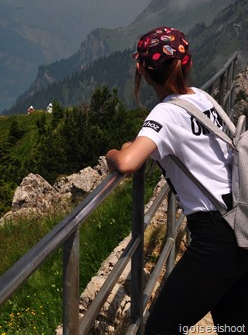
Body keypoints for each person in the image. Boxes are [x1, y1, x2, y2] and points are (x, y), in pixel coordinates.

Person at [105, 26, 248, 334]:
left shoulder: (165, 114)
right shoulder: (203, 97)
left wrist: (112, 153)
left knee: (161, 328)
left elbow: (128, 163)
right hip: (241, 224)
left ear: (142, 70)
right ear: (188, 63)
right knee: (232, 328)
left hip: (216, 239)